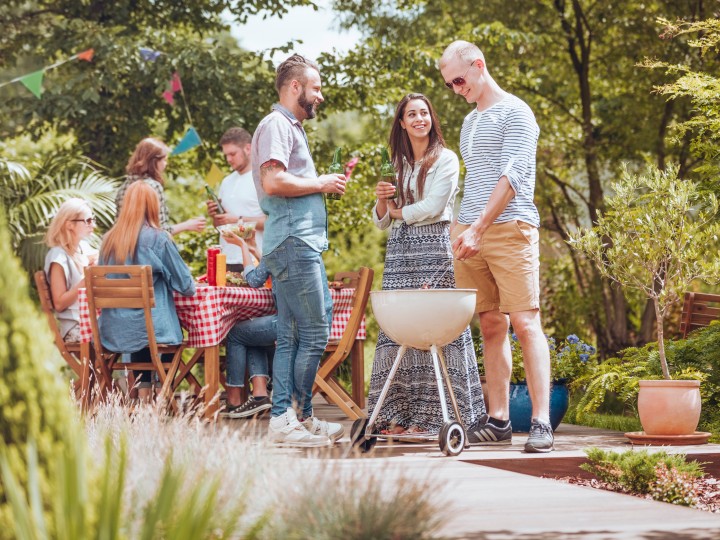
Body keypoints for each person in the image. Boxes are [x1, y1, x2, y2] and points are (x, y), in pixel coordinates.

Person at [439, 40, 553, 453]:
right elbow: (476, 181)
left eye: (458, 79)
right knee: (490, 324)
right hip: (472, 231)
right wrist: (460, 227)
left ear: (478, 66)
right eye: (448, 84)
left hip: (509, 229)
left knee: (525, 322)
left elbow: (513, 176)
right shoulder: (470, 122)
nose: (455, 89)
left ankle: (541, 423)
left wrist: (480, 229)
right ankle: (499, 420)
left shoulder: (517, 112)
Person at [368, 93, 486, 437]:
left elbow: (434, 206)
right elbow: (380, 222)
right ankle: (400, 416)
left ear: (431, 118)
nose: (420, 119)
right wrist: (381, 201)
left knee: (438, 328)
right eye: (411, 114)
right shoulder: (398, 163)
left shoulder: (446, 159)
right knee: (400, 328)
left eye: (424, 113)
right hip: (400, 251)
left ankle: (437, 418)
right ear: (401, 123)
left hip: (433, 247)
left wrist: (397, 212)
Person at [251, 53, 346, 447]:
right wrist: (321, 183)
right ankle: (290, 415)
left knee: (291, 336)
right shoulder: (277, 124)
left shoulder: (289, 126)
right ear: (295, 88)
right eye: (316, 88)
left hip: (293, 242)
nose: (320, 96)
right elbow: (273, 182)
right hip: (293, 242)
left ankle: (292, 418)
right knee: (314, 330)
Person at [99, 181, 196, 402]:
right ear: (153, 206)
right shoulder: (158, 239)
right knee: (154, 330)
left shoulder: (108, 241)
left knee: (140, 326)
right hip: (153, 330)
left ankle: (144, 397)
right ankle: (161, 397)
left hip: (114, 330)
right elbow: (187, 287)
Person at [220, 230, 276, 419]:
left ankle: (234, 400)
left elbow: (253, 280)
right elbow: (272, 268)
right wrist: (253, 249)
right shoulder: (296, 244)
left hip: (288, 322)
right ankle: (260, 395)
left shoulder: (280, 244)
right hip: (306, 321)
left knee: (237, 333)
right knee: (250, 329)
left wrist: (243, 246)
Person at [116, 137, 206, 236]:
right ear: (154, 162)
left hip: (124, 249)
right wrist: (187, 225)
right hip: (147, 249)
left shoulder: (124, 186)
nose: (165, 164)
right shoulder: (153, 187)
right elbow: (160, 232)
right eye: (164, 160)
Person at [206, 127, 266, 272]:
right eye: (226, 155)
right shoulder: (226, 181)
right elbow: (219, 226)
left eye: (232, 154)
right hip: (226, 260)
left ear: (248, 148)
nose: (228, 159)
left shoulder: (262, 179)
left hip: (255, 259)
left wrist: (236, 219)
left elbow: (270, 221)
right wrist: (215, 216)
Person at [44, 198, 98, 342]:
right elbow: (60, 303)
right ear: (69, 225)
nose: (93, 224)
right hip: (75, 326)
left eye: (93, 219)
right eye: (87, 220)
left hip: (93, 321)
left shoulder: (84, 249)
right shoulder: (58, 256)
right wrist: (86, 280)